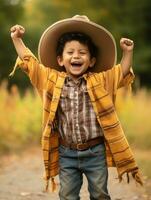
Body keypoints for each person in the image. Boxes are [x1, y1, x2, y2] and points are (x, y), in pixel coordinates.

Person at [10, 15, 143, 200]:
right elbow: (30, 63)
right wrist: (17, 39)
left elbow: (122, 72)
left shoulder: (100, 80)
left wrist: (127, 52)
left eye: (82, 52)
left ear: (92, 61)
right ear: (60, 60)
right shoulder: (52, 80)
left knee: (100, 194)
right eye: (70, 52)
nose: (76, 56)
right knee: (67, 195)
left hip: (95, 152)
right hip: (67, 153)